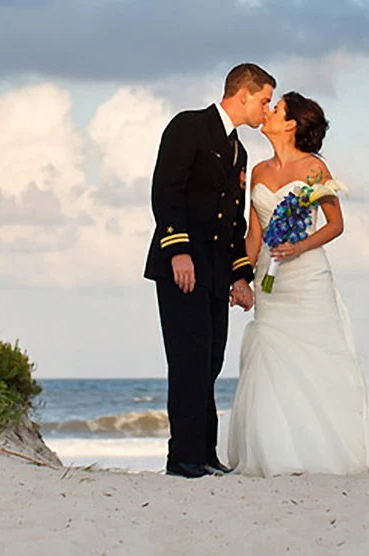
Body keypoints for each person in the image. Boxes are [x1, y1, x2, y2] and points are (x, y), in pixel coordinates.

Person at [227, 91, 369, 477]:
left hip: (306, 278)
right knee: (271, 357)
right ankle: (279, 451)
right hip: (269, 279)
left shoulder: (315, 168)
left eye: (277, 108)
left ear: (291, 123)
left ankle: (330, 448)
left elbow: (336, 224)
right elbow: (254, 233)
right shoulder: (258, 171)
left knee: (318, 359)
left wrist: (299, 245)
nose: (269, 112)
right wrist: (241, 276)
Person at [144, 63, 274, 479]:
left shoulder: (239, 149)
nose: (266, 110)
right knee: (189, 359)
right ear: (243, 94)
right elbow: (166, 192)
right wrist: (177, 250)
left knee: (211, 361)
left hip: (217, 274)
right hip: (182, 266)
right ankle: (182, 458)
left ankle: (203, 454)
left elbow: (233, 221)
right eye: (265, 100)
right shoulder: (188, 126)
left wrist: (240, 275)